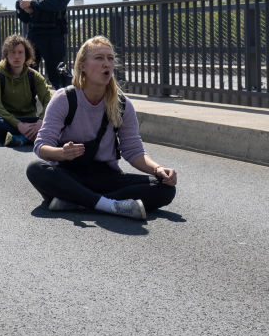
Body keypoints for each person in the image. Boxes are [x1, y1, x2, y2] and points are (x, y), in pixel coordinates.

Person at [26, 36, 178, 220]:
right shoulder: (64, 99)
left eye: (110, 58)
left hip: (106, 178)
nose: (106, 63)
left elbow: (133, 151)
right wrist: (61, 153)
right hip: (70, 176)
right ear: (82, 65)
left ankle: (79, 202)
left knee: (165, 188)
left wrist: (158, 169)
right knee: (35, 169)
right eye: (99, 58)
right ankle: (110, 204)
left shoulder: (122, 104)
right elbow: (41, 146)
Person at [16, 0, 75, 88]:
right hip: (34, 33)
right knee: (27, 74)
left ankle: (68, 107)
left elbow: (57, 3)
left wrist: (33, 4)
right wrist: (22, 5)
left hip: (53, 35)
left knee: (57, 77)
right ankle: (27, 108)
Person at [0, 34, 51, 147]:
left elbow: (49, 100)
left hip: (31, 121)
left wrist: (40, 121)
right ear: (6, 55)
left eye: (20, 52)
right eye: (12, 52)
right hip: (9, 121)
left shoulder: (34, 76)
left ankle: (21, 139)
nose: (16, 56)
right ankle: (35, 137)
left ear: (26, 55)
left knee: (61, 122)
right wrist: (19, 124)